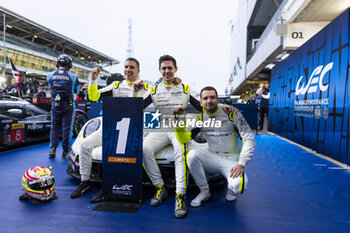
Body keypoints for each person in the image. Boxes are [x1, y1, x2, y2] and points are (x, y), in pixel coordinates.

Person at [138, 55, 234, 218]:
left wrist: (222, 107)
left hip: (179, 127)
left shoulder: (186, 88)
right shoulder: (153, 90)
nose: (167, 71)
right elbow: (137, 105)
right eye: (164, 68)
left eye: (170, 68)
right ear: (159, 70)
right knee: (144, 149)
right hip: (160, 128)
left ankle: (180, 196)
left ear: (176, 69)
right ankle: (160, 188)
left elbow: (203, 105)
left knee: (179, 154)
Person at [70, 57, 149, 203]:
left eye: (132, 67)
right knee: (85, 146)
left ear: (138, 70)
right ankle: (85, 182)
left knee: (116, 154)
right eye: (126, 67)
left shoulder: (146, 87)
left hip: (131, 131)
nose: (128, 70)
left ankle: (110, 186)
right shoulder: (116, 85)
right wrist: (93, 79)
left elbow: (136, 108)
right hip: (111, 127)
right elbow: (94, 96)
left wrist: (135, 91)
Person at [173, 86, 256, 208]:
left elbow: (249, 140)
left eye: (212, 97)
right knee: (191, 155)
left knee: (239, 186)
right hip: (211, 157)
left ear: (218, 100)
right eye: (205, 98)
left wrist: (241, 163)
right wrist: (177, 123)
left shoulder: (232, 113)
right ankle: (204, 191)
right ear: (200, 102)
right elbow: (183, 139)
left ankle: (231, 188)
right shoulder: (199, 118)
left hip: (231, 160)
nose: (209, 100)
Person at [47, 54, 80, 158]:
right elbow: (77, 90)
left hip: (55, 104)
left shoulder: (49, 75)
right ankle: (65, 151)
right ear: (69, 64)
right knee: (67, 128)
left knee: (54, 127)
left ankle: (53, 148)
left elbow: (51, 88)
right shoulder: (73, 76)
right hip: (68, 104)